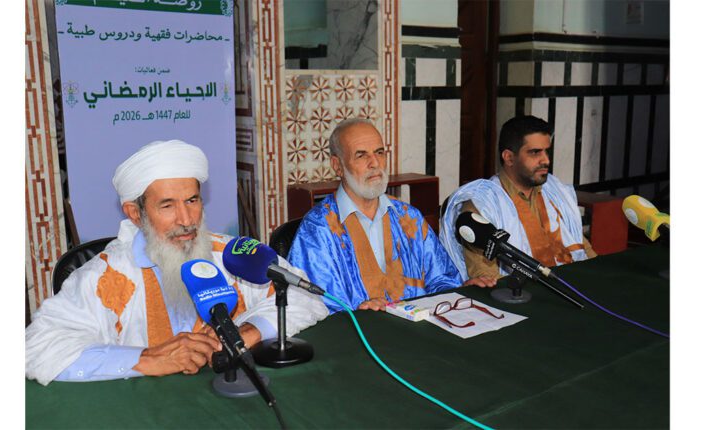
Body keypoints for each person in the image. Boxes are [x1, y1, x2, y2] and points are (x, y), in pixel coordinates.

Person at [26, 140, 328, 386]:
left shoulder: (230, 255)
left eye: (192, 201)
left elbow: (307, 297)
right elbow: (37, 349)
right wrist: (147, 359)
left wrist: (251, 330)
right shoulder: (108, 276)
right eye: (167, 205)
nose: (186, 220)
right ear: (135, 214)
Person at [287, 119, 462, 314]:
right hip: (357, 332)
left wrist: (467, 292)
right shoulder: (318, 229)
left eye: (379, 153)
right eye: (361, 155)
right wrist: (361, 313)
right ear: (337, 166)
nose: (375, 163)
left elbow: (444, 280)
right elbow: (308, 307)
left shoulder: (409, 217)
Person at [440, 115, 596, 285]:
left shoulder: (556, 191)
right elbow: (487, 278)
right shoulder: (482, 205)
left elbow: (584, 250)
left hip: (575, 286)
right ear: (509, 157)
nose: (546, 160)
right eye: (535, 152)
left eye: (547, 151)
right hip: (524, 293)